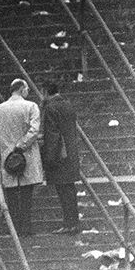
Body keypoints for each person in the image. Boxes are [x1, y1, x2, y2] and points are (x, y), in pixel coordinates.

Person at [0, 79, 44, 237]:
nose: (28, 92)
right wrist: (22, 144)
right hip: (26, 154)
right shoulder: (31, 106)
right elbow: (34, 130)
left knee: (12, 194)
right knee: (27, 193)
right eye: (27, 89)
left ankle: (14, 227)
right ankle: (26, 227)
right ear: (22, 90)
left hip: (7, 156)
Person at [41, 81, 81, 235]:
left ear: (45, 91)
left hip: (58, 156)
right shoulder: (68, 105)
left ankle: (68, 224)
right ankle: (73, 222)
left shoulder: (50, 108)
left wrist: (48, 160)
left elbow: (52, 136)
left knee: (63, 191)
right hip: (70, 154)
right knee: (69, 190)